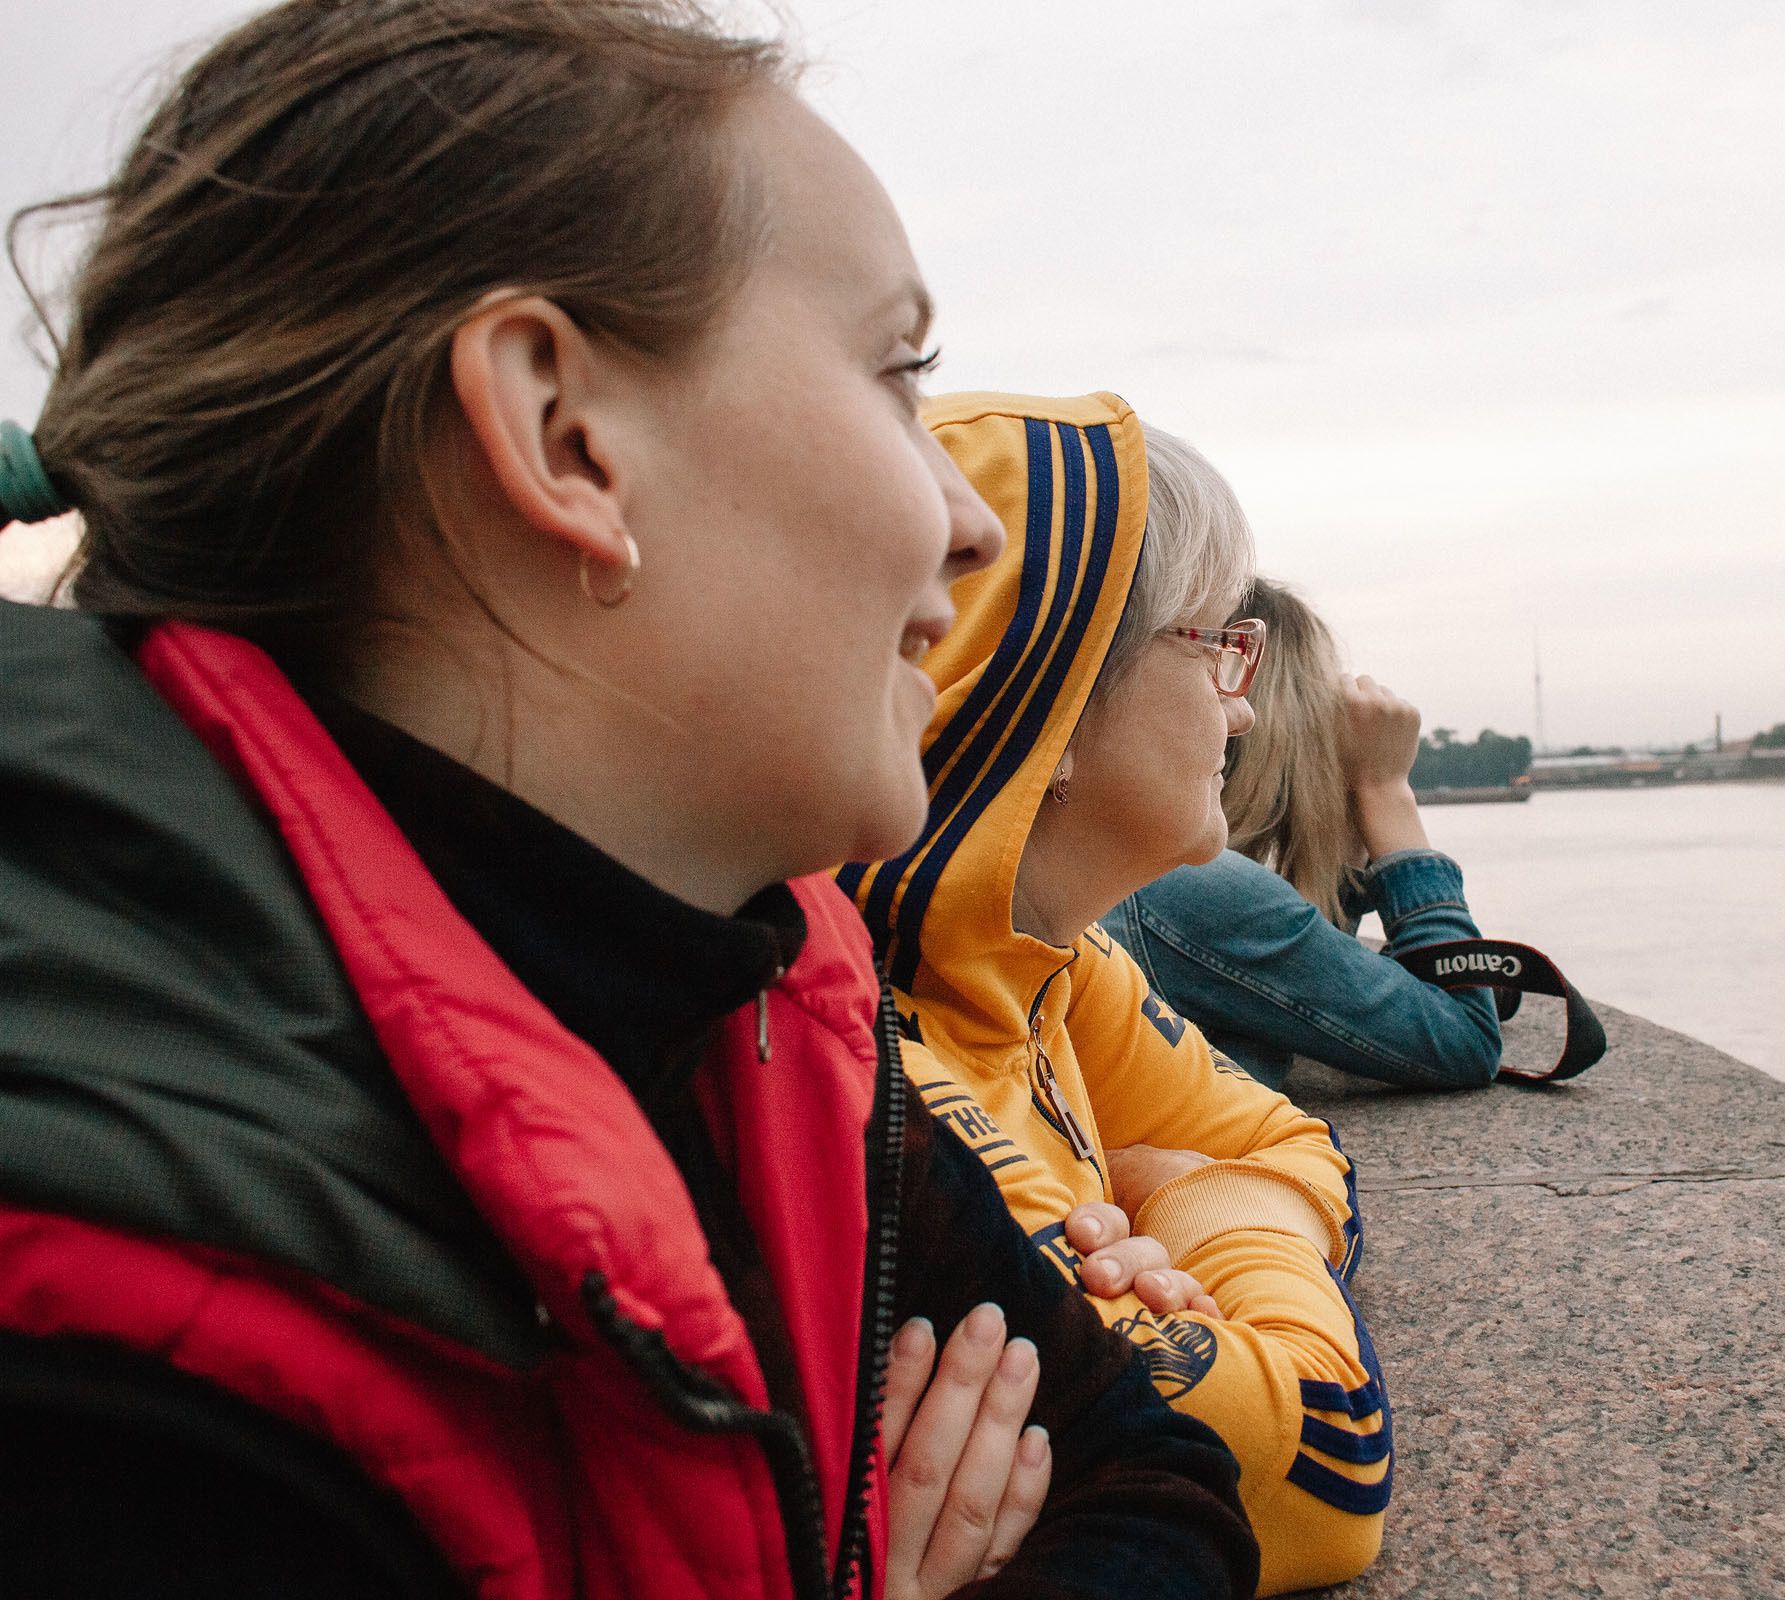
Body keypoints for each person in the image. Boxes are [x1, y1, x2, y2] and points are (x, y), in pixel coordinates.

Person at [0, 5, 1256, 1599]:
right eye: (893, 373)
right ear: (562, 435)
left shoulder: (757, 985)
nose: (967, 524)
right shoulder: (116, 1371)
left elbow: (1159, 1476)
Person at [843, 395, 1390, 1595]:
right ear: (1055, 700)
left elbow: (1306, 1149)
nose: (1241, 699)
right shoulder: (881, 1053)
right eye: (1219, 647)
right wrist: (1202, 1197)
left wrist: (1187, 1199)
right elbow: (1329, 1461)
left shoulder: (1049, 964)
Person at [1101, 579, 1503, 1092]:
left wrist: (1341, 847)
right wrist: (1384, 791)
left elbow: (1310, 991)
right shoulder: (1194, 881)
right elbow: (1464, 1037)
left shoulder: (1133, 856)